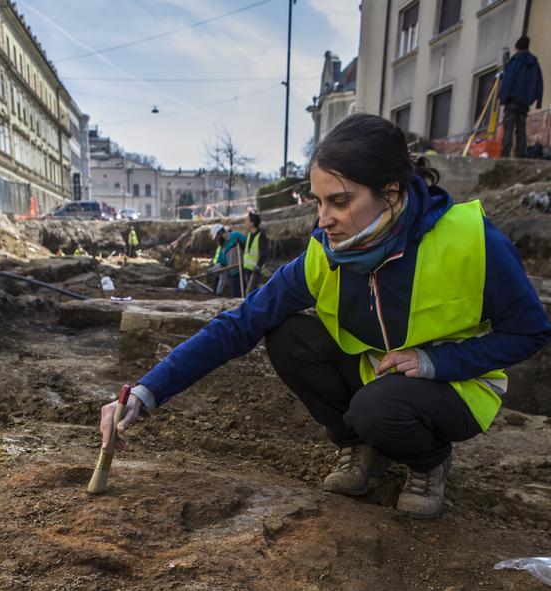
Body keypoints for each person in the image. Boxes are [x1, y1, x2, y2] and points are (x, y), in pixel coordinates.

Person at [100, 114, 551, 519]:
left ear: (390, 193)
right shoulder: (326, 253)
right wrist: (146, 391)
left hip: (455, 388)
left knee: (378, 409)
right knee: (286, 334)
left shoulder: (472, 240)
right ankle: (360, 450)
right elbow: (240, 324)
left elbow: (530, 331)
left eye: (339, 202)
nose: (322, 220)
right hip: (379, 378)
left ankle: (429, 463)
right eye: (318, 202)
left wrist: (436, 362)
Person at [499, 35, 544, 158]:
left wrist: (503, 98)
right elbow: (539, 83)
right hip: (525, 103)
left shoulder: (516, 61)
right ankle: (520, 155)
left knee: (508, 128)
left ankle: (505, 154)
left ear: (518, 47)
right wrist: (538, 101)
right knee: (521, 129)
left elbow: (508, 81)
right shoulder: (534, 63)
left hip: (512, 101)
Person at [209, 224, 246, 297]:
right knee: (235, 296)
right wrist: (212, 269)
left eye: (217, 237)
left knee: (243, 293)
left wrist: (241, 246)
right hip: (233, 273)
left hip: (242, 270)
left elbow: (247, 246)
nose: (217, 239)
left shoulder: (235, 236)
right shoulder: (223, 246)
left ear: (220, 233)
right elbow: (222, 261)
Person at [243, 210, 269, 293]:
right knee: (252, 292)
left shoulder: (261, 236)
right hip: (247, 268)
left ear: (252, 223)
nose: (245, 222)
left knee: (249, 292)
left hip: (256, 269)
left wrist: (258, 265)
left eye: (247, 220)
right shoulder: (249, 234)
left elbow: (263, 253)